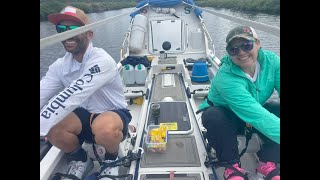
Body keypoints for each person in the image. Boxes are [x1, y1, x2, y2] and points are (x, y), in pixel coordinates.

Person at [40, 6, 132, 180]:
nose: (67, 34)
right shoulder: (60, 66)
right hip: (83, 116)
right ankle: (80, 159)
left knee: (104, 129)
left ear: (89, 35)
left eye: (74, 28)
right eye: (61, 29)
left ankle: (111, 161)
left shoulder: (101, 60)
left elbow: (74, 94)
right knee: (52, 128)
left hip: (112, 113)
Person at [198, 26, 280, 180]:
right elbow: (256, 115)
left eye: (247, 45)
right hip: (227, 116)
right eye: (234, 49)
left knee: (277, 107)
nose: (241, 52)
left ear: (257, 43)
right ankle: (231, 166)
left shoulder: (273, 62)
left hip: (253, 112)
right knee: (213, 116)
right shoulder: (225, 77)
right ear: (229, 52)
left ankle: (269, 162)